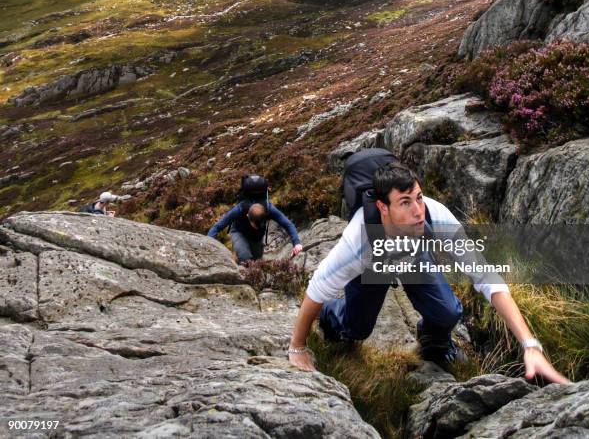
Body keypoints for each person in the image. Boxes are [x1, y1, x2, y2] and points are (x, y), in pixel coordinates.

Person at [287, 162, 570, 384]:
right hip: (373, 265)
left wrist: (530, 344)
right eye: (405, 202)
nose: (418, 210)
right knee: (356, 329)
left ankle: (434, 343)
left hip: (413, 258)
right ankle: (333, 316)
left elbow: (486, 277)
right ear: (382, 208)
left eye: (419, 197)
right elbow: (317, 288)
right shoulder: (357, 243)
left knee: (448, 312)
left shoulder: (435, 214)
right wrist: (298, 347)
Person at [208, 199, 303, 264]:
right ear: (248, 216)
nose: (256, 227)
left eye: (260, 224)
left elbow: (288, 224)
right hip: (239, 232)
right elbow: (218, 226)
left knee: (256, 263)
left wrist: (297, 243)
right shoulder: (240, 209)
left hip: (257, 238)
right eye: (254, 224)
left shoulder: (269, 209)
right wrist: (206, 243)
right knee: (245, 258)